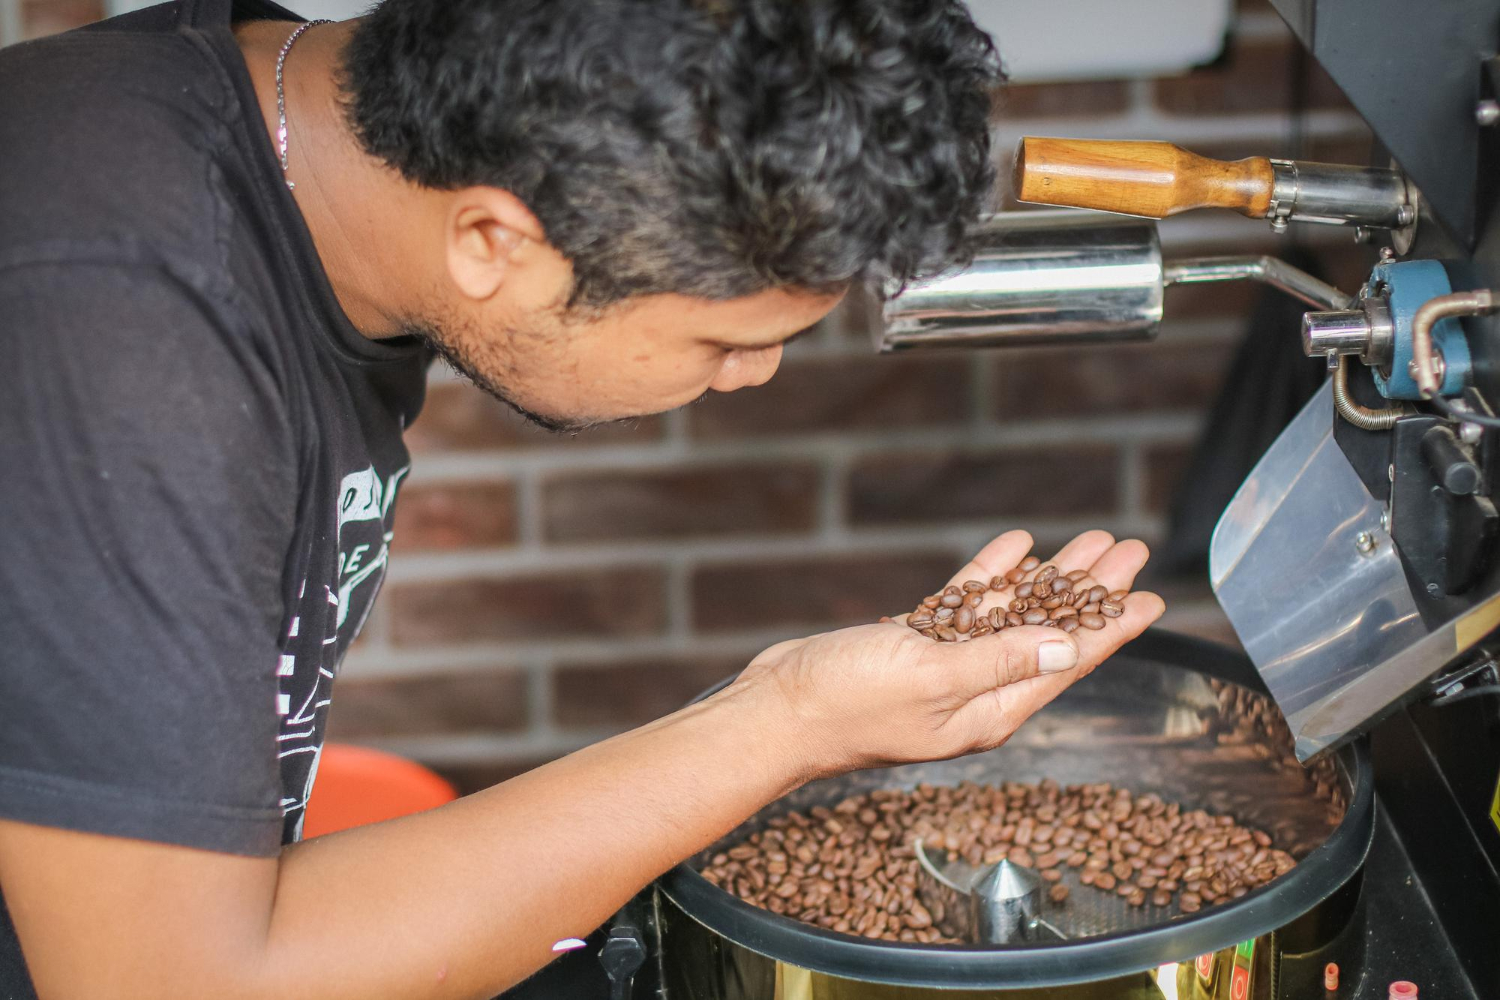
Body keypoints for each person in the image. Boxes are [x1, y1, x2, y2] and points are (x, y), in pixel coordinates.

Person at [0, 0, 1165, 996]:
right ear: (494, 240)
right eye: (721, 338)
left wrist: (784, 712)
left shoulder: (292, 154)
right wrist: (790, 722)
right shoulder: (125, 336)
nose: (752, 374)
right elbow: (171, 979)